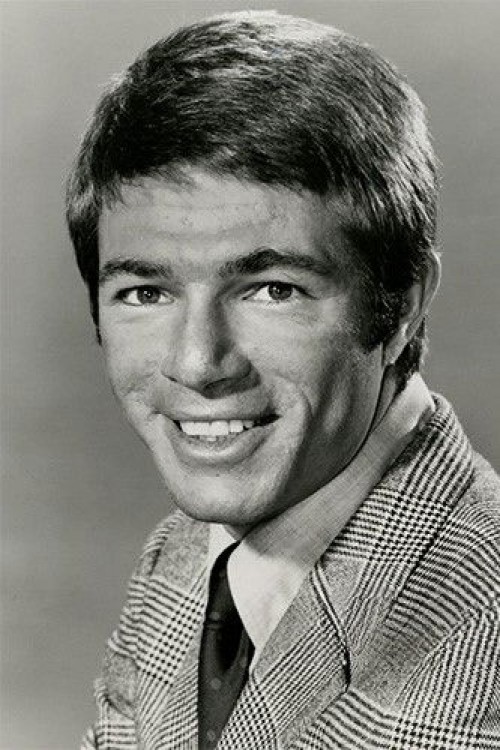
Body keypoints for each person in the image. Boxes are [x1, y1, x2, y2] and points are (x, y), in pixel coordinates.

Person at [66, 11, 499, 749]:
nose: (198, 364)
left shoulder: (480, 632)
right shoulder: (181, 560)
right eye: (145, 293)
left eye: (272, 290)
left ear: (402, 304)